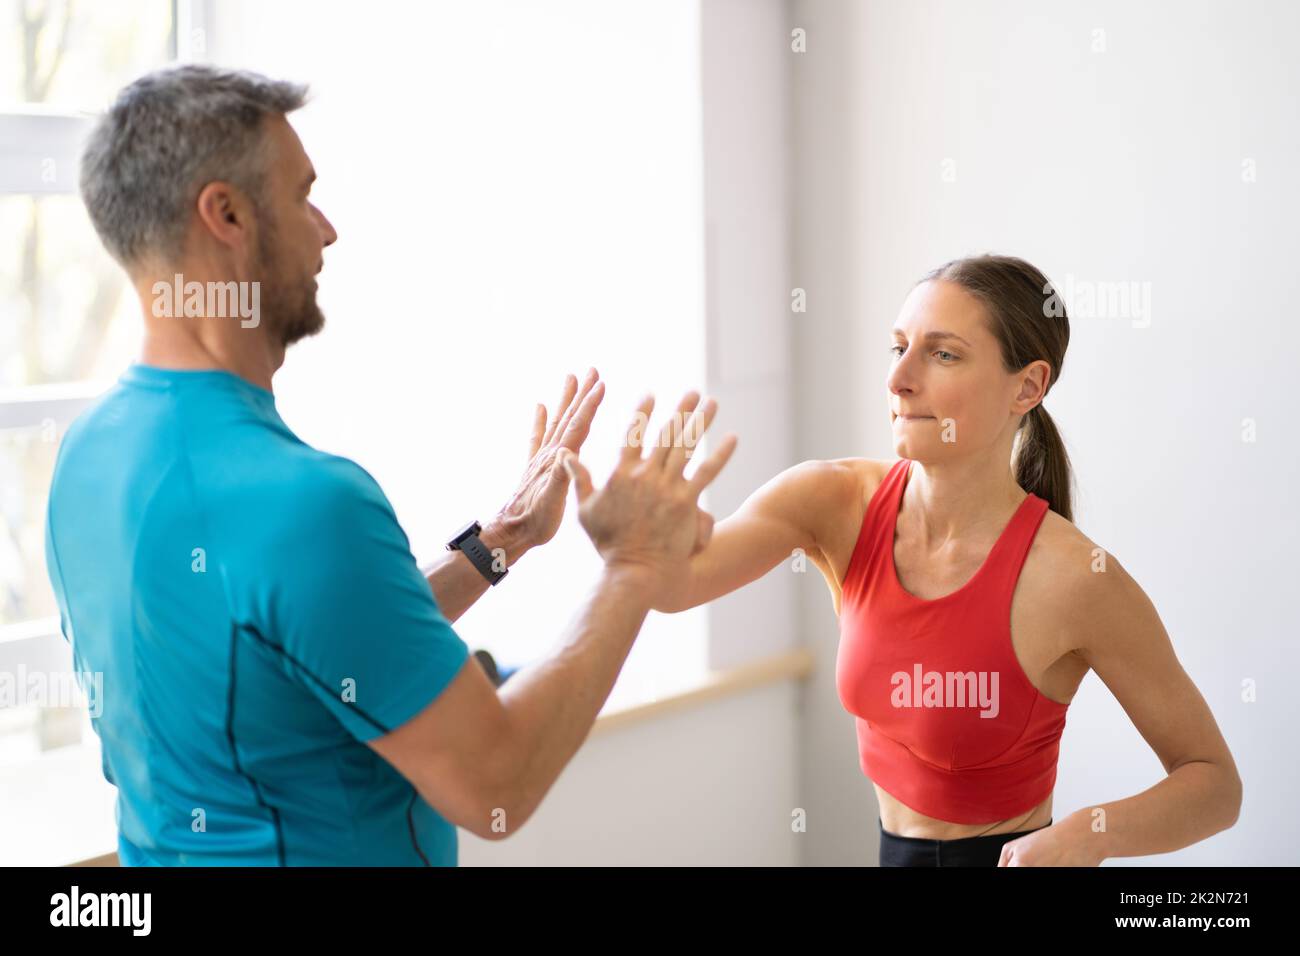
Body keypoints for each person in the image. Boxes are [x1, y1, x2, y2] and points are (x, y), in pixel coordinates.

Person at [45, 64, 735, 865]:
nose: (326, 229)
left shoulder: (84, 457)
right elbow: (498, 786)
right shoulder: (306, 504)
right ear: (226, 214)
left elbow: (309, 645)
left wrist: (500, 541)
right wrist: (635, 567)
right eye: (302, 194)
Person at [647, 254, 1243, 866]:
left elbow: (1215, 784)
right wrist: (634, 537)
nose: (899, 378)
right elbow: (673, 588)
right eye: (898, 346)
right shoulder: (832, 502)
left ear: (1028, 387)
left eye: (943, 354)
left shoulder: (1075, 579)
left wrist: (1087, 833)